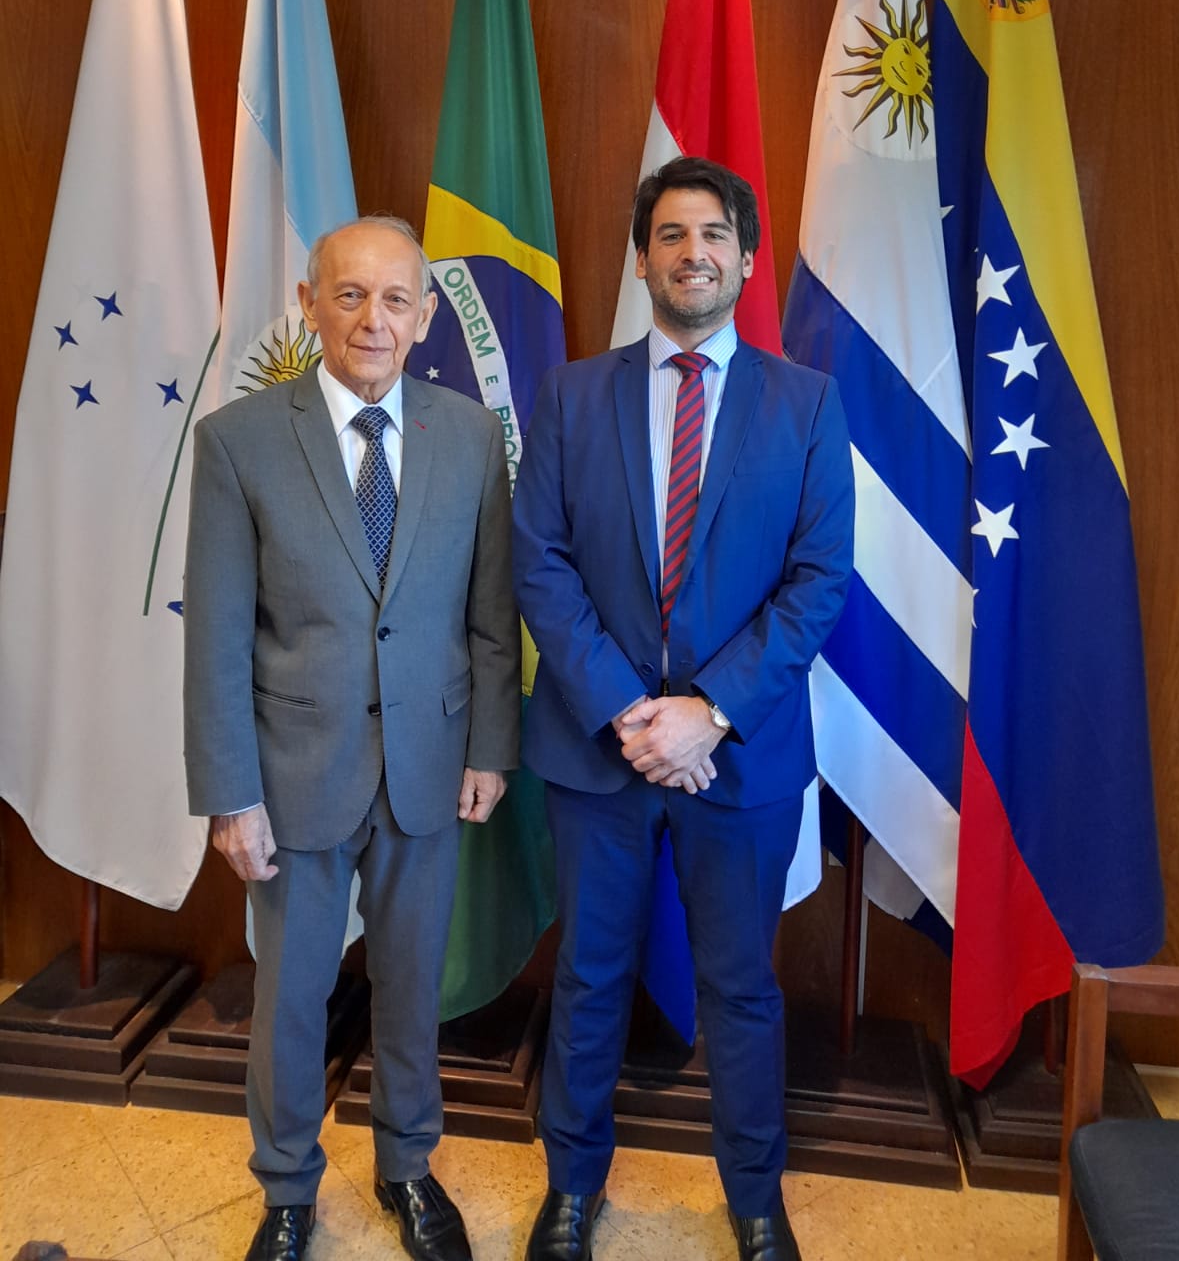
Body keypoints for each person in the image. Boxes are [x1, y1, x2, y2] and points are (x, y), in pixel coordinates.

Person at [512, 157, 854, 1261]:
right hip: (597, 751)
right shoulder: (570, 396)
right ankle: (572, 1189)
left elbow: (820, 581)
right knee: (588, 976)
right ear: (642, 257)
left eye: (713, 234)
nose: (692, 252)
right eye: (670, 234)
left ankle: (754, 1199)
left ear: (745, 259)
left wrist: (708, 710)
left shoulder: (807, 403)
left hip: (740, 757)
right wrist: (629, 709)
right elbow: (540, 565)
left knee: (742, 987)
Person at [184, 216, 521, 1261]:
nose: (374, 319)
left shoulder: (471, 437)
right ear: (308, 303)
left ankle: (407, 1168)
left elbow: (490, 615)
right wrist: (230, 795)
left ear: (424, 317)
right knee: (291, 997)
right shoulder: (238, 441)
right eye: (350, 294)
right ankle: (288, 1188)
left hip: (430, 766)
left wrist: (491, 747)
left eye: (395, 299)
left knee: (412, 986)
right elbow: (217, 635)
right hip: (293, 777)